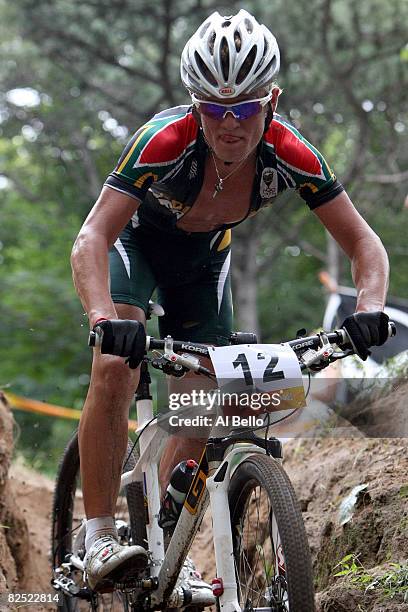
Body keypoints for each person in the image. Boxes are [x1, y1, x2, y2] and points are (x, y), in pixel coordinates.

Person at [70, 8, 390, 592]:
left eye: (243, 109)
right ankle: (95, 535)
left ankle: (170, 549)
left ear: (271, 99)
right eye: (214, 110)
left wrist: (368, 308)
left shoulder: (290, 150)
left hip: (204, 262)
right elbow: (93, 237)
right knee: (117, 363)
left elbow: (364, 243)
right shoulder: (164, 140)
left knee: (204, 397)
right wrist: (101, 319)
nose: (229, 125)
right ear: (195, 105)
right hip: (136, 245)